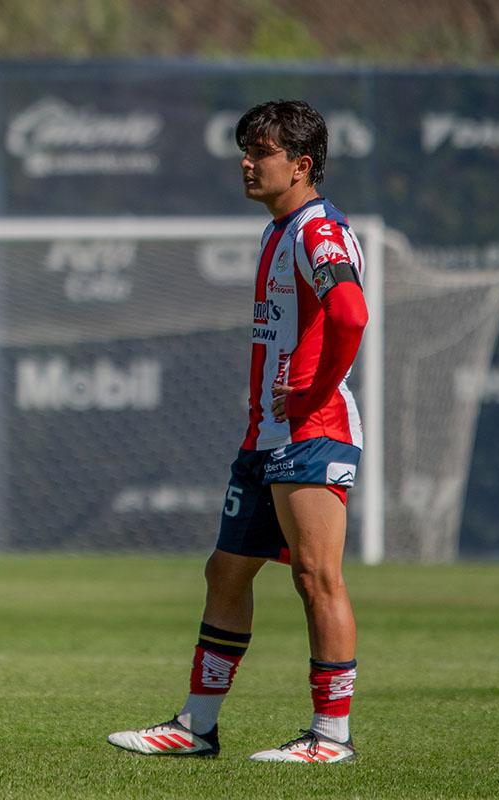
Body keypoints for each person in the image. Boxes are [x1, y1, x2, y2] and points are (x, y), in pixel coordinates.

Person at [108, 99, 368, 763]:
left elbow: (351, 315)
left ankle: (330, 737)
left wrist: (311, 393)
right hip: (267, 436)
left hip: (312, 431)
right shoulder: (280, 230)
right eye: (244, 151)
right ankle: (196, 727)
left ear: (301, 165)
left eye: (262, 152)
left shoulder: (317, 231)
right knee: (226, 572)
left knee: (316, 577)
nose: (247, 163)